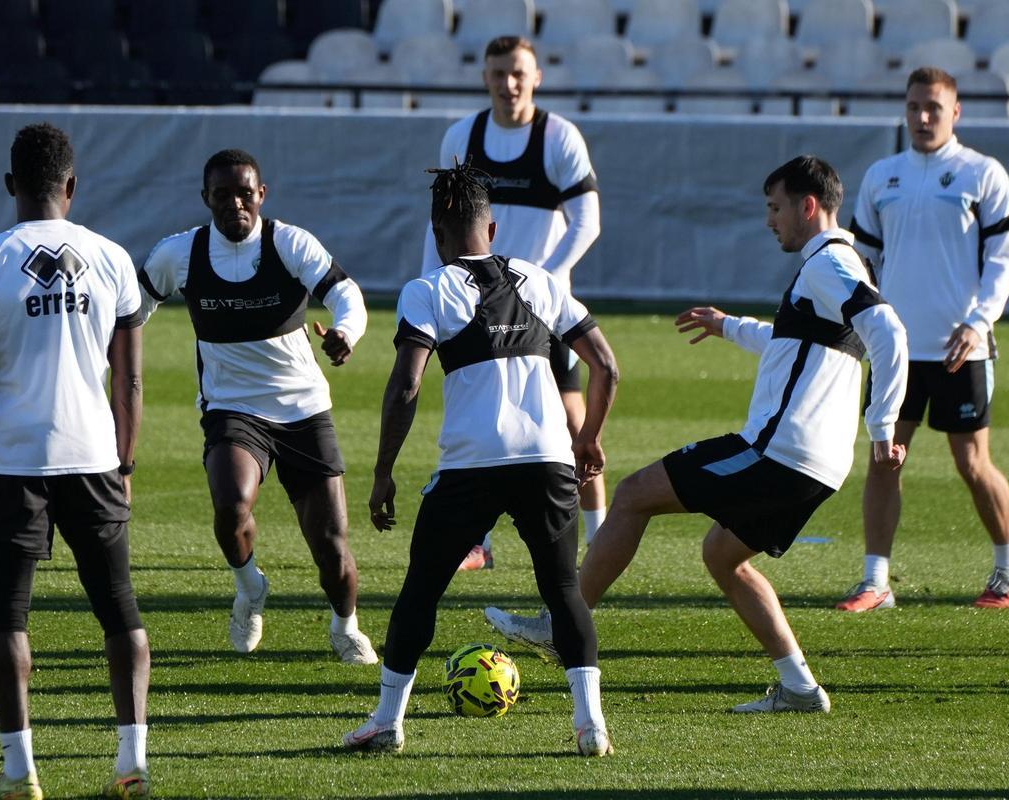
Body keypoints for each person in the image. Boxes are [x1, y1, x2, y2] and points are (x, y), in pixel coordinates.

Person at [487, 156, 909, 713]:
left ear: (809, 206)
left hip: (778, 451)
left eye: (775, 207)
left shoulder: (829, 264)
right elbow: (800, 342)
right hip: (816, 461)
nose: (769, 220)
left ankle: (557, 625)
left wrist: (882, 424)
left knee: (635, 493)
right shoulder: (840, 265)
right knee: (722, 554)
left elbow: (889, 330)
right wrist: (729, 326)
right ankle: (801, 688)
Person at [344, 160, 618, 755]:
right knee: (563, 590)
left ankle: (388, 722)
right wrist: (589, 436)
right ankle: (590, 724)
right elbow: (607, 366)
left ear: (436, 235)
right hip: (548, 459)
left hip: (471, 466)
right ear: (490, 230)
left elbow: (407, 386)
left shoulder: (428, 290)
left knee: (421, 591)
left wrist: (384, 471)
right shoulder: (543, 282)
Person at [0, 123, 150, 799]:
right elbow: (131, 380)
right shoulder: (113, 258)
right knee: (121, 613)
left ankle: (20, 772)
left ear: (10, 186)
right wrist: (126, 461)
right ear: (72, 186)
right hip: (93, 458)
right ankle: (132, 765)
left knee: (5, 619)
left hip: (10, 466)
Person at [137, 148, 377, 663]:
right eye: (222, 195)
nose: (235, 204)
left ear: (261, 194)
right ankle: (250, 589)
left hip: (303, 409)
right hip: (232, 408)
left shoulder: (289, 242)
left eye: (245, 192)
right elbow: (132, 310)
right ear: (206, 199)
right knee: (230, 507)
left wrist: (345, 332)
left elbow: (346, 293)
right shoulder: (178, 254)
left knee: (332, 549)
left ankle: (345, 625)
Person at [840, 66, 1009, 612]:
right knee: (883, 460)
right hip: (895, 348)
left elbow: (1003, 258)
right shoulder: (882, 175)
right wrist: (858, 319)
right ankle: (876, 581)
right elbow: (863, 259)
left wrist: (978, 321)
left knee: (971, 463)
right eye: (914, 106)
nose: (922, 117)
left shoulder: (983, 174)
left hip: (958, 347)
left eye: (934, 108)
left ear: (955, 112)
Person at [422, 36, 604, 570]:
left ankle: (598, 538)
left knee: (575, 423)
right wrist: (430, 288)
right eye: (499, 73)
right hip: (472, 308)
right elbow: (438, 223)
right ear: (485, 77)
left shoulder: (558, 138)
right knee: (477, 418)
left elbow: (588, 222)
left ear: (537, 77)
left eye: (518, 73)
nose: (509, 84)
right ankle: (478, 542)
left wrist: (540, 283)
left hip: (544, 310)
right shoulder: (462, 135)